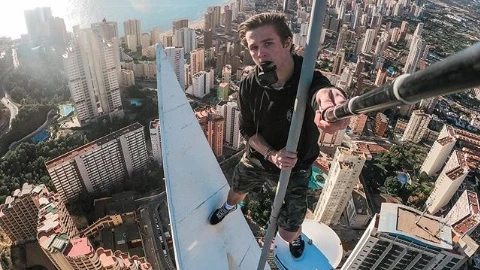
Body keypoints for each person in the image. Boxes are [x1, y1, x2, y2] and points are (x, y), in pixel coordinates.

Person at [209, 12, 349, 260]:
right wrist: (271, 154)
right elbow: (247, 130)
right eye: (254, 47)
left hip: (298, 167)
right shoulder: (249, 85)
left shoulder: (309, 79)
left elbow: (322, 93)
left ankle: (298, 236)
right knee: (236, 189)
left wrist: (330, 107)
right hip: (260, 158)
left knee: (286, 233)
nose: (260, 53)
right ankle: (229, 208)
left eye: (268, 43)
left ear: (287, 43)